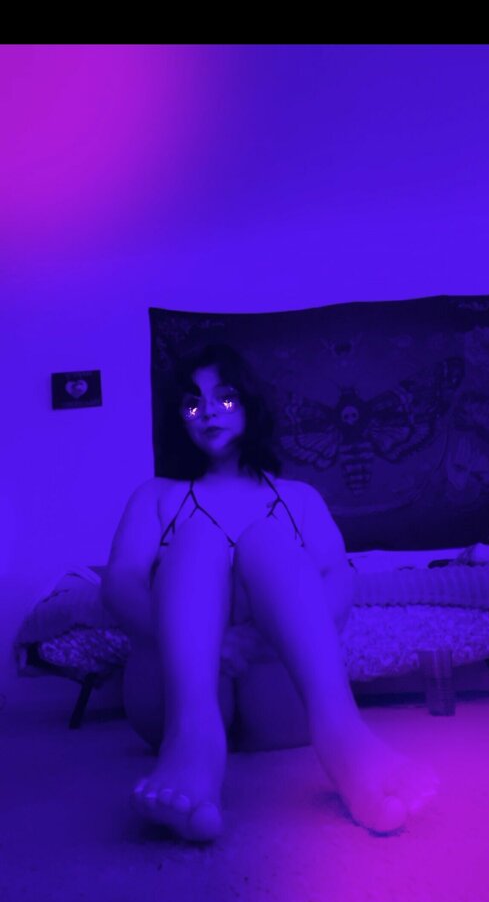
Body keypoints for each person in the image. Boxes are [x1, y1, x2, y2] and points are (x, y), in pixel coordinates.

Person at [102, 342, 439, 843]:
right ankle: (192, 745)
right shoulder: (155, 496)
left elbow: (338, 580)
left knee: (269, 539)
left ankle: (343, 735)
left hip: (278, 690)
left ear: (250, 405)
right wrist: (207, 645)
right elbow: (120, 584)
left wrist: (262, 642)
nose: (208, 412)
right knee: (197, 538)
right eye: (192, 403)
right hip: (170, 697)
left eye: (225, 398)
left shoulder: (298, 498)